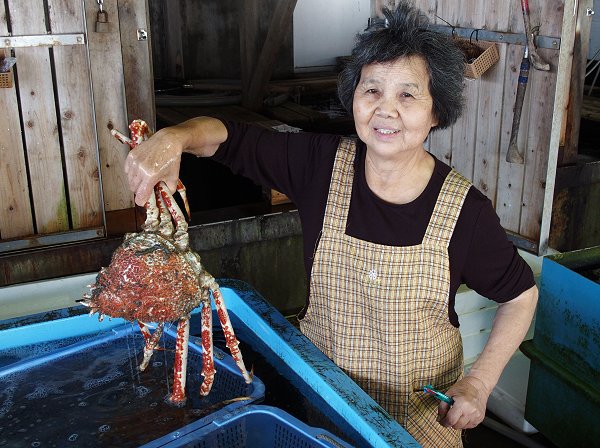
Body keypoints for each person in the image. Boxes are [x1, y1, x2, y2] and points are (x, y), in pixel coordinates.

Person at [124, 2, 538, 446]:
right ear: (353, 96)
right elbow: (229, 136)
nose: (385, 110)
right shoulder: (320, 164)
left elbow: (520, 296)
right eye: (371, 90)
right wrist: (175, 137)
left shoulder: (465, 211)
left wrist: (479, 383)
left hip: (416, 426)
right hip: (320, 406)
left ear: (437, 112)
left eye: (408, 94)